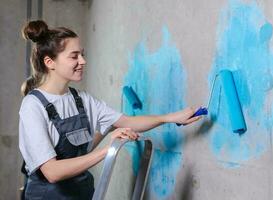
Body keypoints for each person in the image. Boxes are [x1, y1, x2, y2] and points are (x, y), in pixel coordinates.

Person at [19, 20, 201, 200]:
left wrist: (170, 118)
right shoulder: (32, 106)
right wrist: (109, 149)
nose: (83, 61)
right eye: (74, 56)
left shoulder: (81, 99)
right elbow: (52, 172)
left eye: (82, 55)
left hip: (81, 192)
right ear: (50, 62)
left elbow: (127, 122)